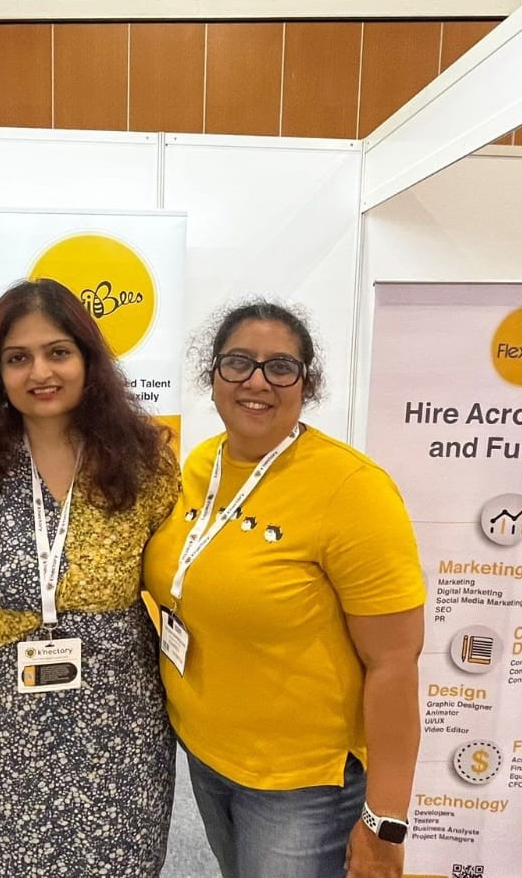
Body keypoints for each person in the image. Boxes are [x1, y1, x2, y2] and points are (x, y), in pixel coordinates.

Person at [143, 300, 425, 878]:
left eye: (280, 367)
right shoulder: (201, 463)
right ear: (213, 376)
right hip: (206, 754)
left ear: (306, 383)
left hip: (301, 784)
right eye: (238, 362)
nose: (257, 381)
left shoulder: (352, 489)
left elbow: (395, 662)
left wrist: (385, 821)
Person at [0, 278, 180, 877]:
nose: (40, 372)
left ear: (88, 361)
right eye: (18, 358)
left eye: (58, 352)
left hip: (117, 718)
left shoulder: (143, 459)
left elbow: (183, 577)